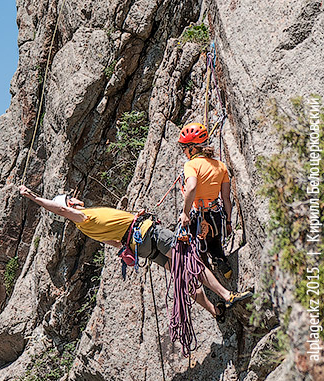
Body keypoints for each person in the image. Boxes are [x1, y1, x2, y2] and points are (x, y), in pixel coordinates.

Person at [19, 185, 247, 320]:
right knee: (189, 261)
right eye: (70, 199)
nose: (75, 198)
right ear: (69, 205)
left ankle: (214, 311)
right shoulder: (82, 217)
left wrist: (133, 221)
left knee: (182, 274)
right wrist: (34, 197)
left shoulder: (89, 228)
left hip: (141, 245)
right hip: (148, 233)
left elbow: (116, 243)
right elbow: (59, 209)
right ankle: (227, 296)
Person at [177, 123, 234, 279]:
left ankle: (212, 287)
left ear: (193, 148)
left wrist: (185, 213)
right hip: (216, 215)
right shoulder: (221, 166)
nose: (184, 152)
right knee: (215, 246)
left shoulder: (190, 165)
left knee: (199, 253)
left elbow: (191, 187)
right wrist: (228, 222)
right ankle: (226, 272)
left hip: (198, 217)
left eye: (184, 148)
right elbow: (226, 198)